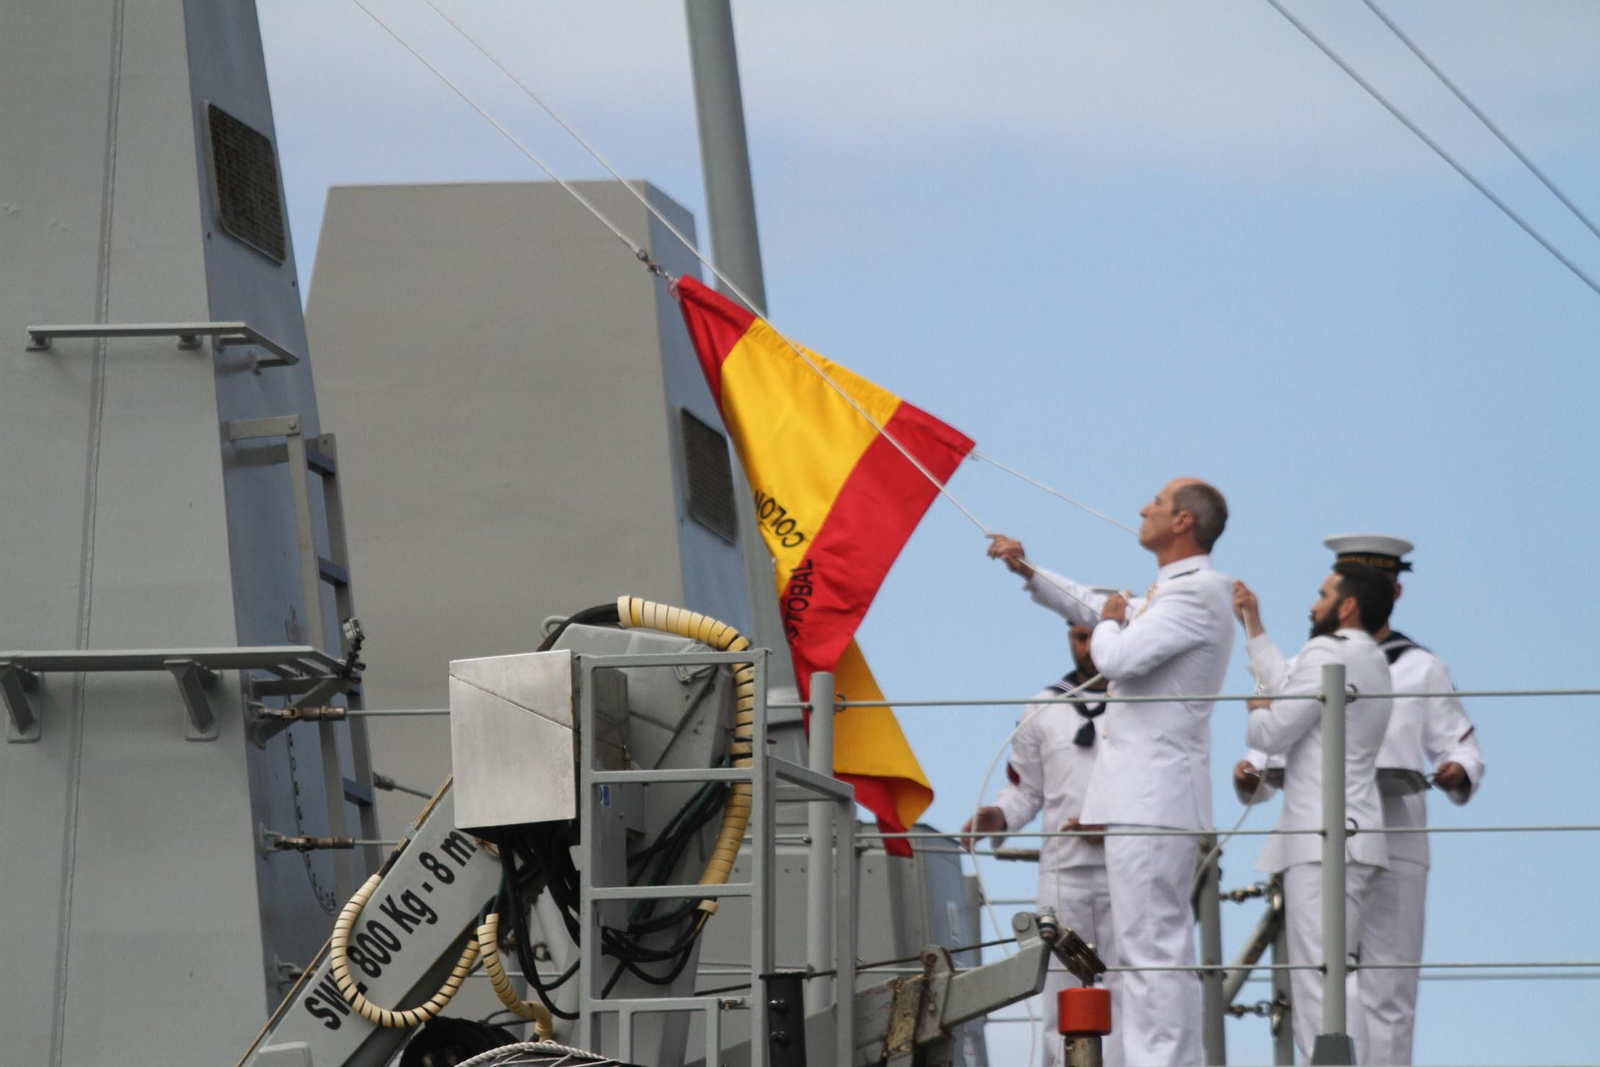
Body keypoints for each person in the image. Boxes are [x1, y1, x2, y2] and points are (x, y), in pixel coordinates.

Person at [987, 477, 1234, 1066]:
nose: (1144, 508)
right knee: (1147, 948)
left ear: (1183, 522)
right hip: (1144, 799)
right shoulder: (1179, 590)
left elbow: (1115, 654)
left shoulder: (1195, 592)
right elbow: (1097, 609)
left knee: (1152, 950)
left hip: (1152, 798)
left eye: (1158, 502)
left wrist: (1112, 621)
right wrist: (1029, 570)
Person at [1325, 534, 1486, 1066]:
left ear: (1393, 594)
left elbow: (1461, 746)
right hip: (1325, 835)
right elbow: (1270, 743)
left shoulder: (1421, 666)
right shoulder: (1314, 661)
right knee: (1321, 979)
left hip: (1396, 836)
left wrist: (1456, 770)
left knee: (1389, 986)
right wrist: (1254, 764)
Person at [1232, 563, 1395, 1063]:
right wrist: (1254, 626)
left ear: (1347, 606)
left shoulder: (1327, 651)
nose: (1313, 604)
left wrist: (1257, 710)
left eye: (1323, 594)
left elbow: (1273, 731)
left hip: (1321, 840)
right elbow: (1296, 684)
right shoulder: (1372, 658)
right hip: (1357, 835)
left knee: (1319, 981)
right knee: (1335, 975)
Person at [963, 623, 1120, 1067]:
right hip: (1063, 870)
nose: (1086, 647)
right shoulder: (1043, 707)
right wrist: (999, 815)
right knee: (1057, 989)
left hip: (1127, 867)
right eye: (1078, 636)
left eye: (1095, 635)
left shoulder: (1143, 703)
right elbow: (1028, 790)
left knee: (1128, 988)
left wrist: (1116, 825)